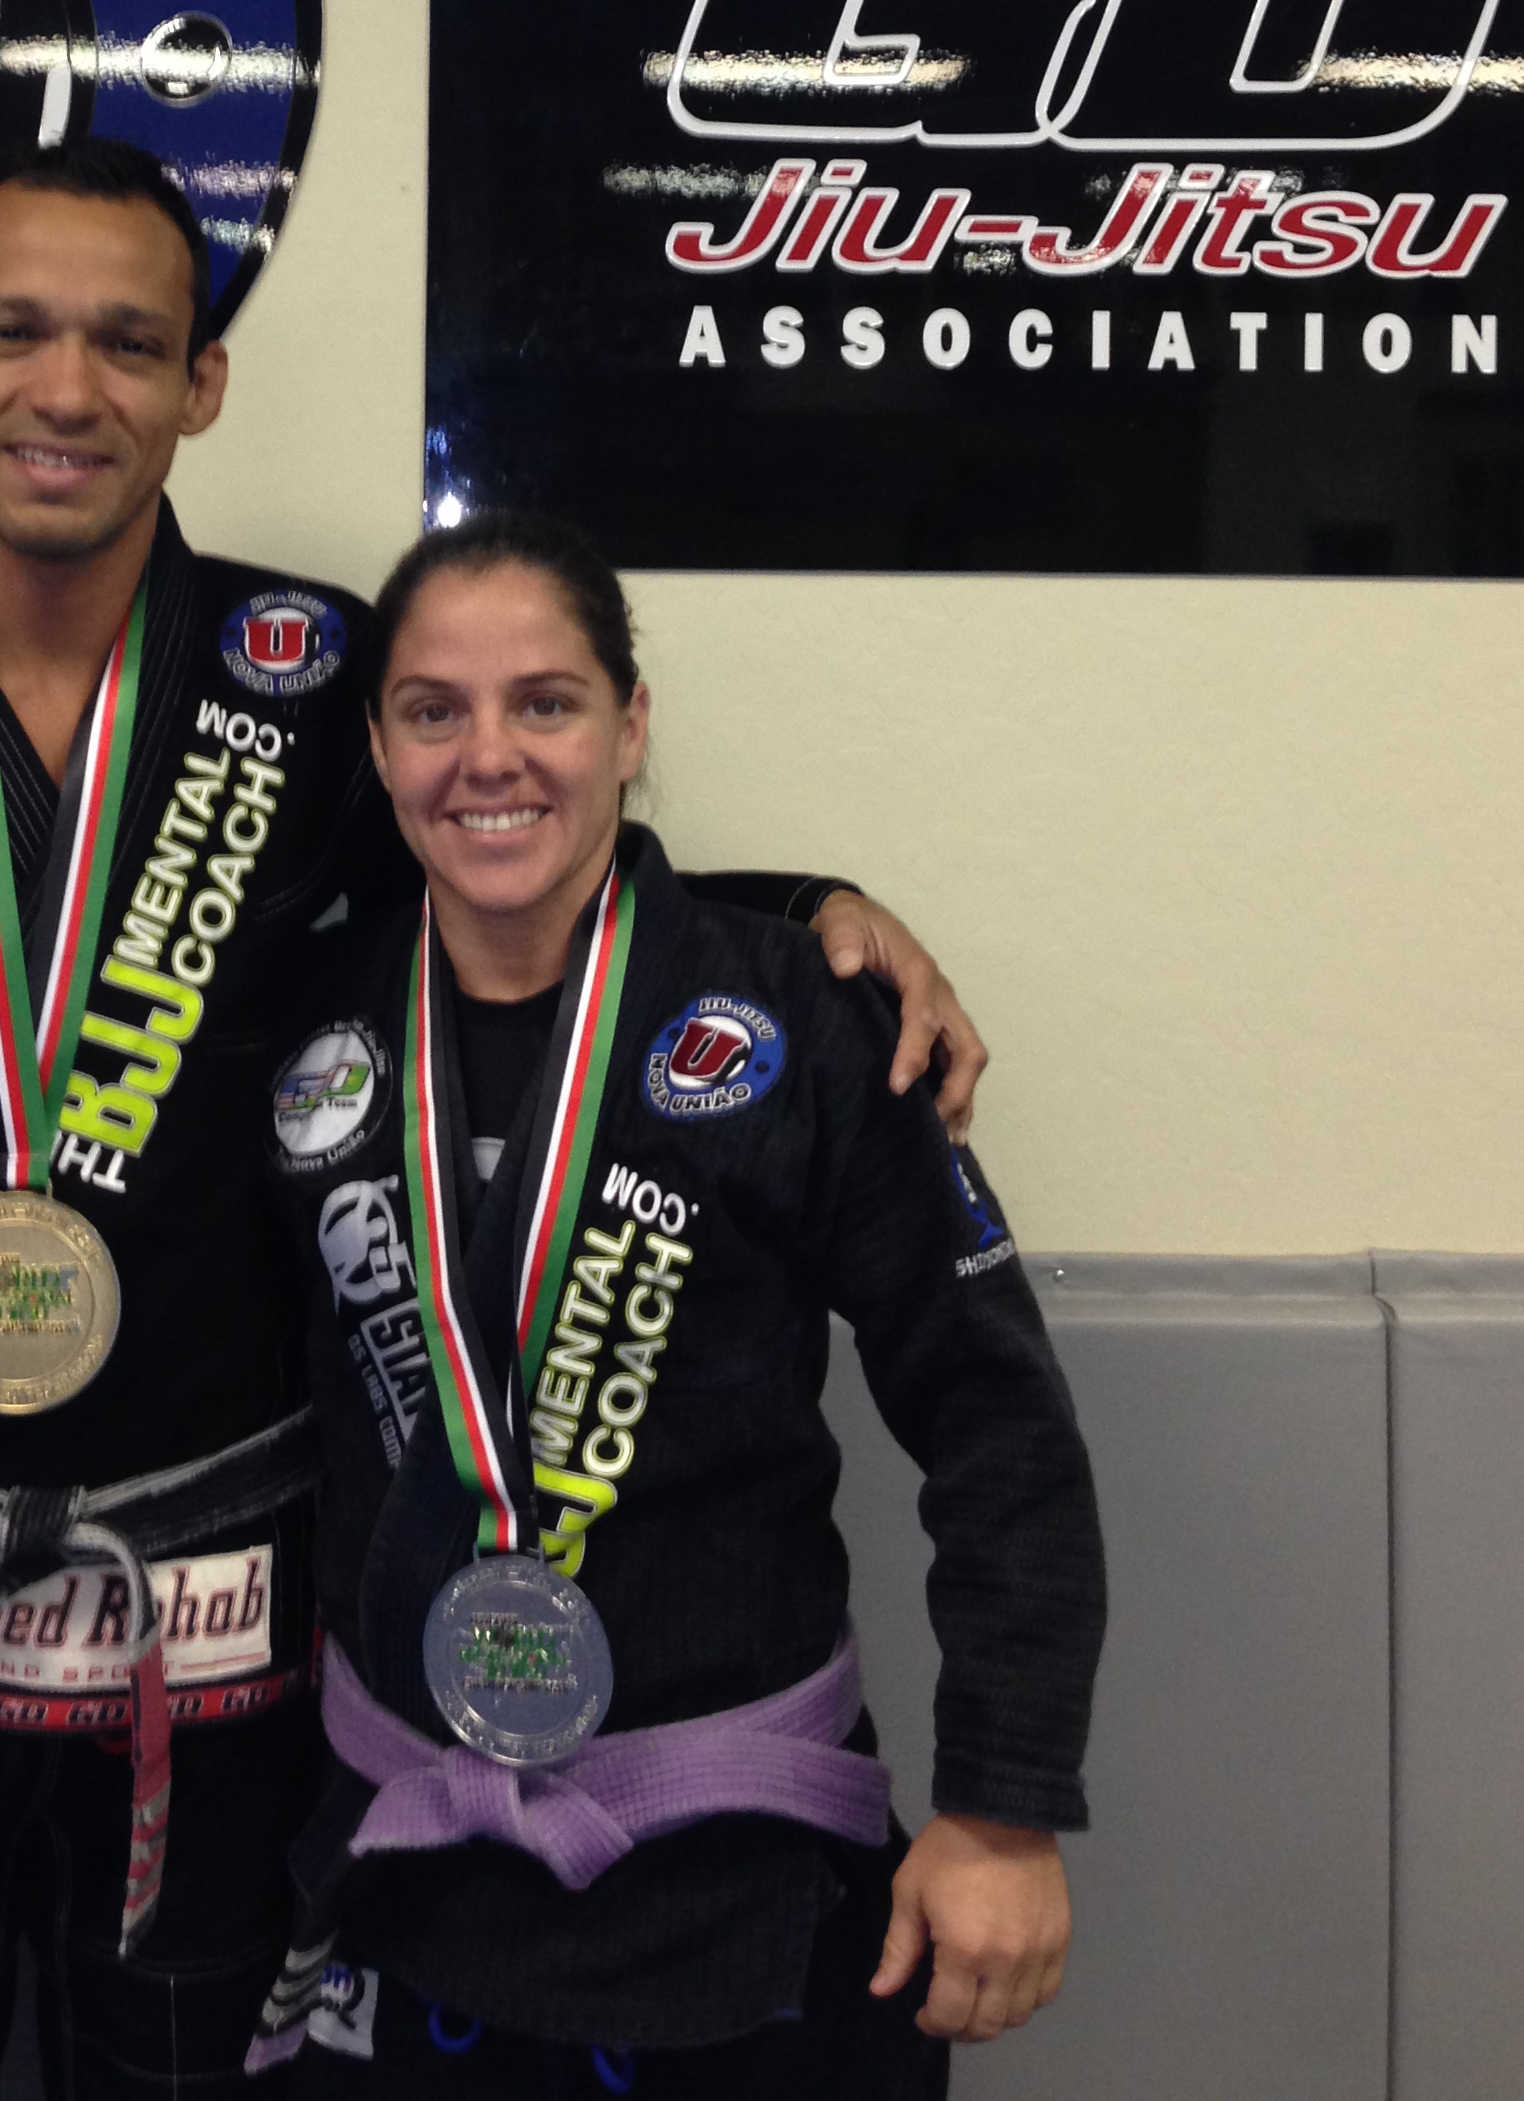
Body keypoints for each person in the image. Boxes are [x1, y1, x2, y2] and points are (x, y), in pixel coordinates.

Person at [0, 141, 987, 2101]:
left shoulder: (307, 676)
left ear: (199, 383)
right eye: (10, 331)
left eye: (126, 341)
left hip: (226, 1637)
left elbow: (509, 872)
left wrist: (796, 927)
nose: (66, 389)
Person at [253, 511, 1106, 2095]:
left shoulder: (798, 1020)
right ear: (375, 745)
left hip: (743, 1883)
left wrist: (1001, 1806)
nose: (488, 756)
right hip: (401, 1880)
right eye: (433, 710)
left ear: (631, 725)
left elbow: (995, 1422)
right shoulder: (305, 1029)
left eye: (548, 704)